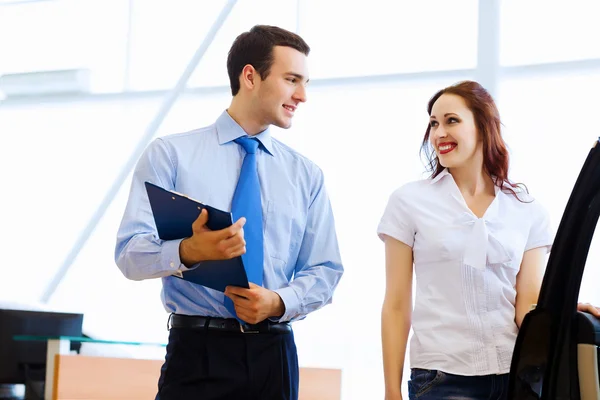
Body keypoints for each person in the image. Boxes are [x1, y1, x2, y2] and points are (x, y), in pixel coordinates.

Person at [115, 25, 343, 400]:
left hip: (276, 355)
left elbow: (325, 270)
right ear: (250, 76)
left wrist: (278, 302)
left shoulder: (307, 175)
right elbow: (129, 255)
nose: (302, 96)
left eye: (305, 83)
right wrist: (189, 252)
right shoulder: (170, 156)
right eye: (291, 80)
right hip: (197, 353)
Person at [377, 80, 600, 400]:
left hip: (517, 376)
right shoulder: (408, 201)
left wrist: (566, 310)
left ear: (483, 127)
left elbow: (528, 305)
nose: (439, 133)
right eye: (433, 124)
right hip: (442, 378)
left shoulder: (526, 209)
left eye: (451, 120)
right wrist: (390, 391)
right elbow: (396, 306)